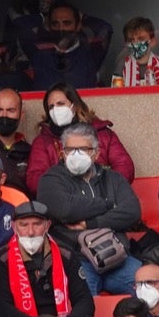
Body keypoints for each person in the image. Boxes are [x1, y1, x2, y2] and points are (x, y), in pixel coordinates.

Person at [0, 201, 110, 317]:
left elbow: (85, 301)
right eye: (24, 225)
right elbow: (3, 311)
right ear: (14, 227)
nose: (30, 232)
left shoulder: (66, 254)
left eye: (37, 224)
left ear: (47, 225)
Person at [36, 122, 142, 296]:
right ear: (62, 153)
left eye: (83, 149)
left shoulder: (113, 178)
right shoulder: (50, 179)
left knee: (151, 288)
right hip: (76, 259)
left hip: (117, 257)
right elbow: (65, 209)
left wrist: (91, 222)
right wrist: (108, 204)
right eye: (70, 149)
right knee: (82, 307)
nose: (76, 154)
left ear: (96, 153)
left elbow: (132, 212)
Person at [24, 85, 136, 195]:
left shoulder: (103, 134)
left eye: (61, 104)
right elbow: (34, 181)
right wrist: (67, 187)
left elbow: (125, 167)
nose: (56, 110)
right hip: (64, 204)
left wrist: (103, 187)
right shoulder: (43, 142)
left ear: (75, 106)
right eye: (51, 107)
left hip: (103, 200)